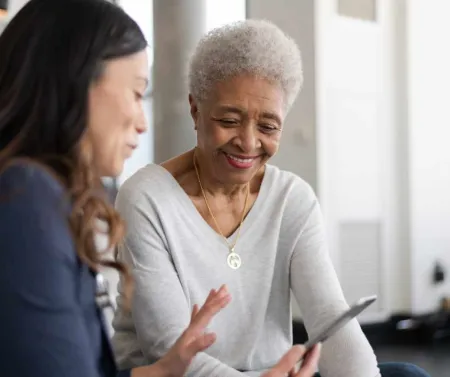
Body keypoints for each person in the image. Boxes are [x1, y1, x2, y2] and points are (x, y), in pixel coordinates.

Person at [0, 1, 320, 377]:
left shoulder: (43, 197)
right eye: (137, 94)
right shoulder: (27, 200)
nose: (142, 123)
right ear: (74, 84)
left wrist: (161, 372)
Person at [111, 19, 431, 377]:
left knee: (406, 375)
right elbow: (169, 348)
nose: (248, 143)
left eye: (267, 127)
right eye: (229, 120)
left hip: (274, 373)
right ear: (195, 110)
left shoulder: (292, 199)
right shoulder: (146, 198)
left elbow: (330, 317)